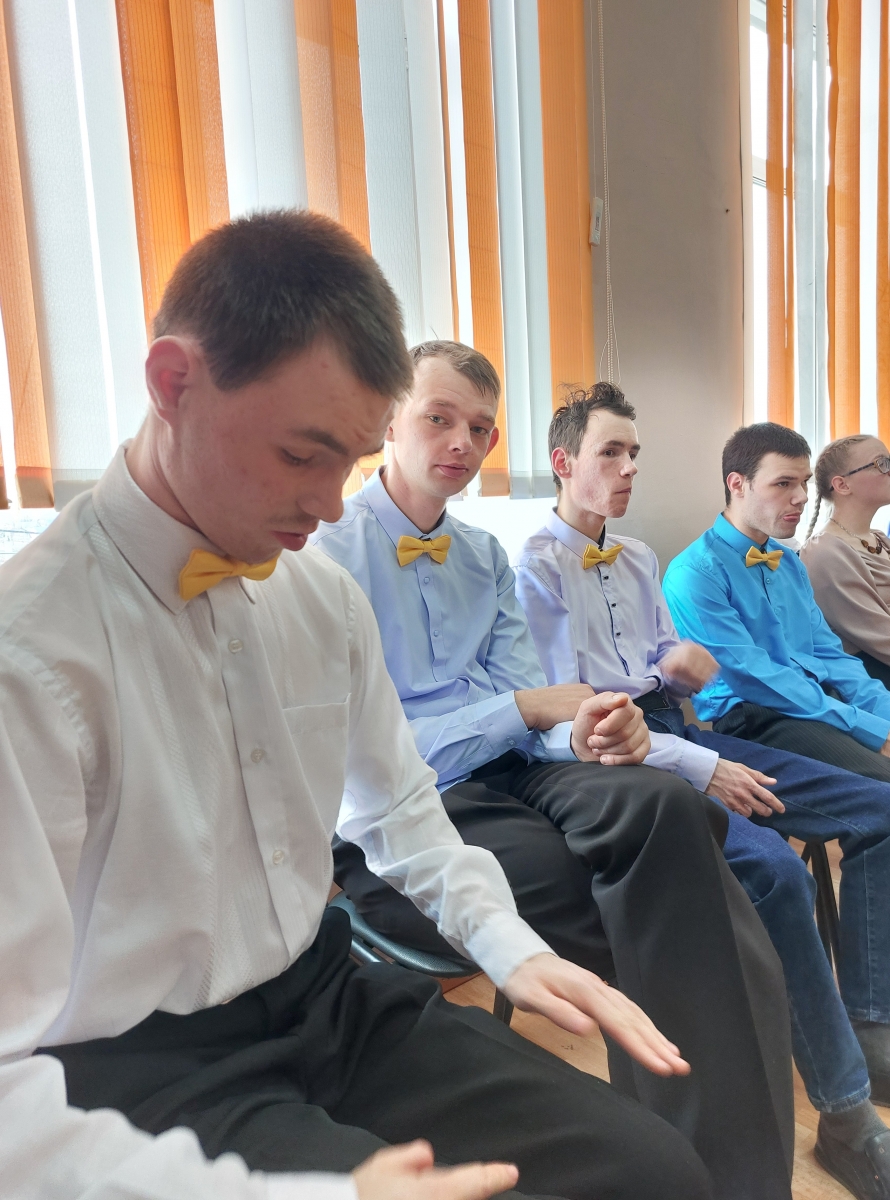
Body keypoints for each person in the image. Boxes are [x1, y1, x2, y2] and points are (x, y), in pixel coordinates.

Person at [0, 213, 722, 1200]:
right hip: (137, 1078)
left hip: (328, 996)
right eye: (302, 456)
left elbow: (398, 808)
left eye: (346, 461)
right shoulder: (31, 654)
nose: (333, 505)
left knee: (651, 1172)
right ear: (172, 383)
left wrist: (506, 945)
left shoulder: (320, 596)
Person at [311, 340, 796, 1200]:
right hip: (412, 797)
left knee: (667, 808)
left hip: (512, 764)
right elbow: (368, 756)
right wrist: (528, 710)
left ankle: (704, 1171)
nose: (462, 442)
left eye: (480, 429)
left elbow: (530, 710)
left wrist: (591, 731)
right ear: (387, 418)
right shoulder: (324, 554)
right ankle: (727, 1178)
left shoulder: (482, 554)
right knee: (695, 917)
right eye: (438, 418)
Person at [514, 385, 890, 1198]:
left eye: (634, 455)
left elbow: (663, 664)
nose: (628, 469)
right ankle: (847, 1113)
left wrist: (678, 667)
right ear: (563, 463)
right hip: (610, 749)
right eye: (611, 453)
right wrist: (690, 748)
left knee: (882, 809)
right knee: (779, 872)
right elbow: (567, 710)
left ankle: (871, 1018)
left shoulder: (639, 557)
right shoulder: (533, 566)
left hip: (676, 728)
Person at [801, 435, 890, 689]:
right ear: (842, 485)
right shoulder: (825, 553)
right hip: (873, 681)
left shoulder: (879, 539)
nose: (889, 470)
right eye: (881, 463)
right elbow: (881, 637)